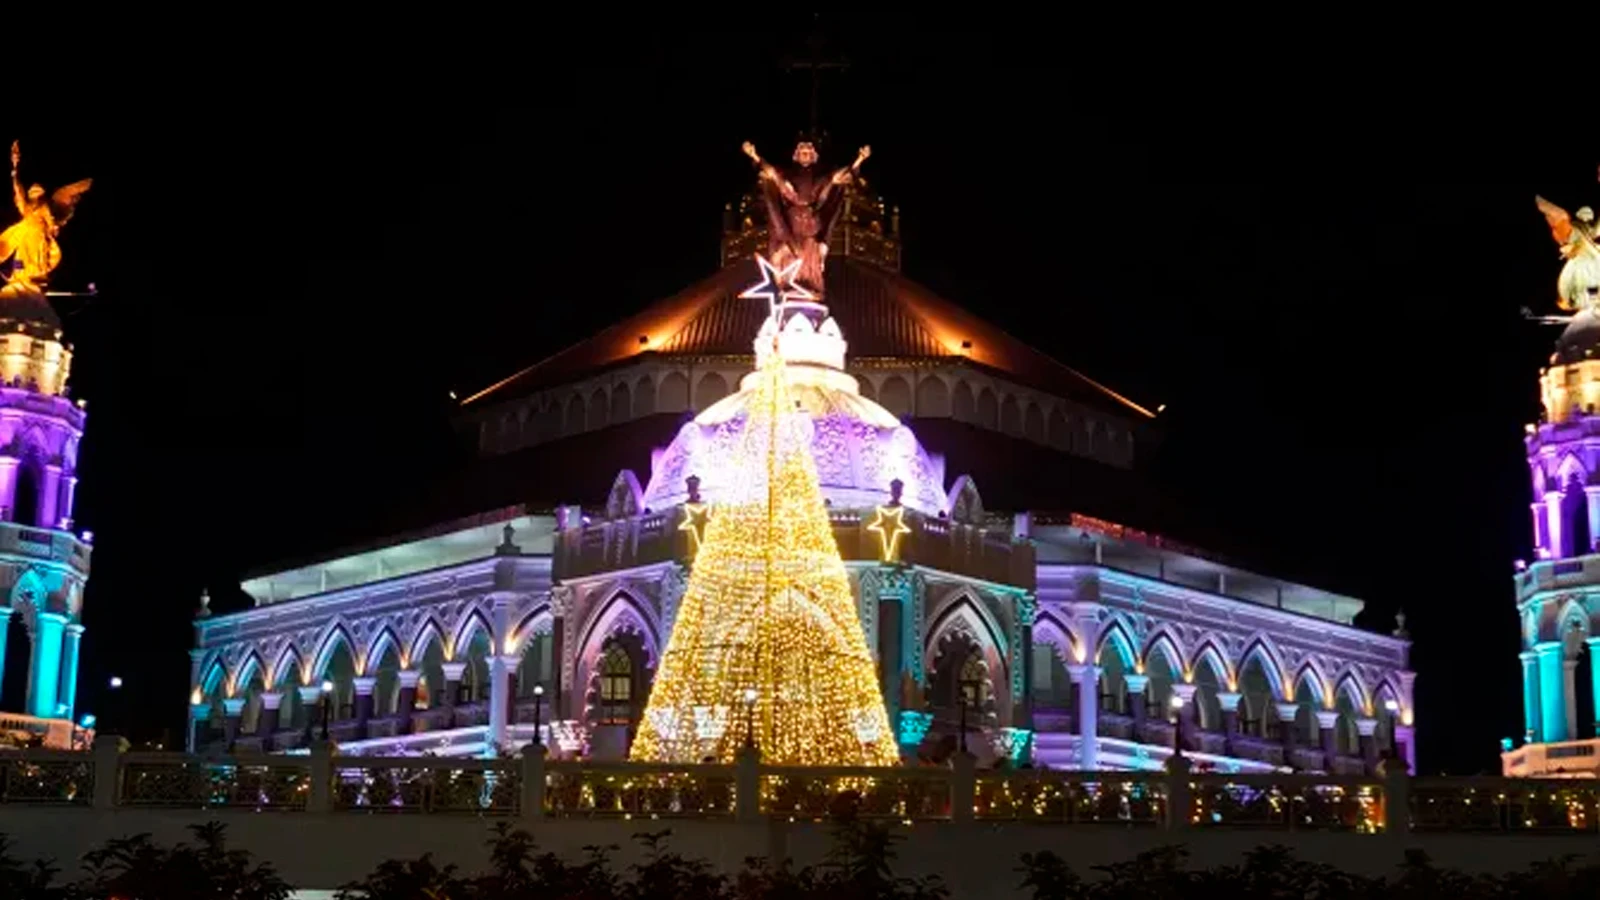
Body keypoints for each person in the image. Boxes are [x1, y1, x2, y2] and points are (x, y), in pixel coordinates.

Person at [740, 138, 870, 296]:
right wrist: (755, 156)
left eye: (808, 153)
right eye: (802, 153)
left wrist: (859, 160)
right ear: (797, 155)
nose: (805, 155)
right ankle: (788, 286)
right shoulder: (788, 175)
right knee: (789, 252)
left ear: (813, 156)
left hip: (811, 225)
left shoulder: (820, 178)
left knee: (809, 254)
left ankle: (810, 286)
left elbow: (838, 177)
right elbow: (772, 173)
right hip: (790, 225)